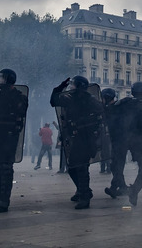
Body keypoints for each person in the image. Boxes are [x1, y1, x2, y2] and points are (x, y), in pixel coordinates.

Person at [50, 75, 104, 209]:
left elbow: (102, 114)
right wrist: (60, 87)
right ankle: (83, 190)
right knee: (73, 167)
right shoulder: (71, 99)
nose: (71, 87)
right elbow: (53, 101)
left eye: (73, 85)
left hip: (87, 138)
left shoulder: (88, 100)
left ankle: (85, 197)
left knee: (81, 167)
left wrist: (91, 125)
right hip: (76, 138)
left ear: (79, 86)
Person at [0, 68, 29, 213]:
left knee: (5, 168)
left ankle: (4, 201)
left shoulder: (19, 96)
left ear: (8, 78)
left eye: (1, 77)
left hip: (9, 136)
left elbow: (21, 112)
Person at [100, 88, 129, 198]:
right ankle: (123, 188)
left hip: (120, 141)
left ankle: (115, 188)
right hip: (119, 141)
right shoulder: (116, 107)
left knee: (117, 166)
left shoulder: (113, 109)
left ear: (106, 98)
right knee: (115, 165)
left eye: (103, 98)